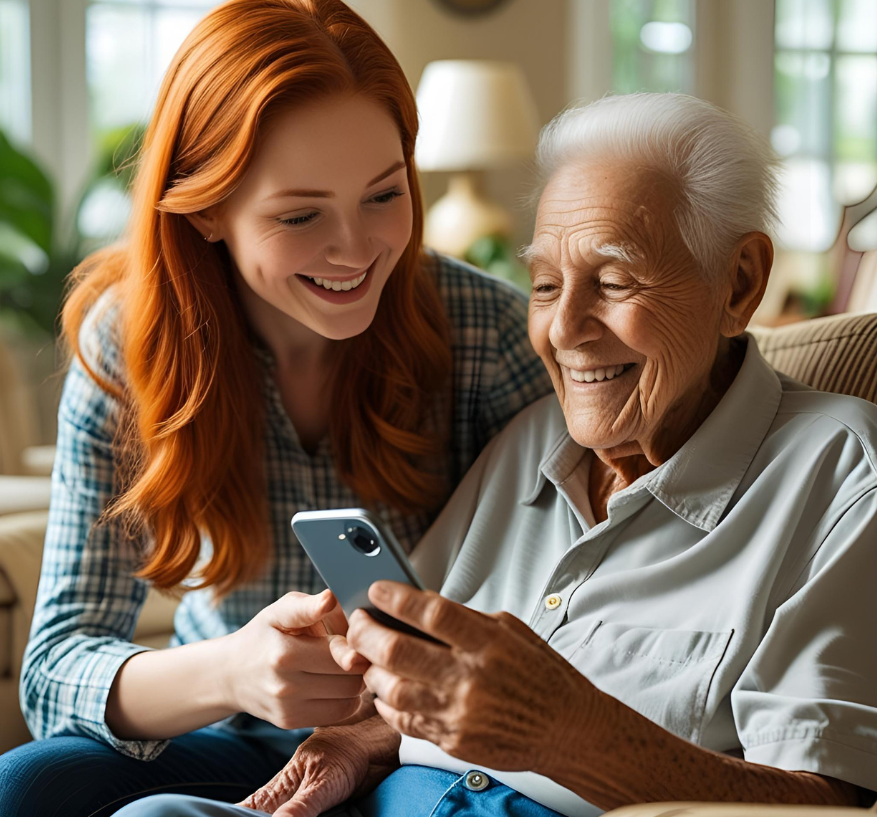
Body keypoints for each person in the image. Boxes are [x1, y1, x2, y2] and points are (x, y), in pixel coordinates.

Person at [117, 93, 877, 817]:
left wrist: (570, 735)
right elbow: (417, 686)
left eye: (612, 281)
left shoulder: (839, 476)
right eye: (545, 285)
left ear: (738, 282)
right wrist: (354, 741)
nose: (565, 330)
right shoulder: (530, 440)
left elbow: (824, 804)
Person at [0, 0, 552, 817]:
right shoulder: (132, 343)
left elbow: (570, 601)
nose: (356, 249)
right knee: (27, 786)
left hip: (419, 747)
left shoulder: (487, 331)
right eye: (300, 215)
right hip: (229, 729)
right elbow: (53, 669)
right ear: (209, 209)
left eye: (383, 194)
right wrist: (234, 670)